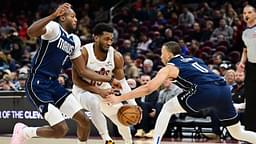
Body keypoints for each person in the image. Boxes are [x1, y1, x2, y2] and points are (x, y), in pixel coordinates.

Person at [106, 41, 256, 144]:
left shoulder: (169, 68)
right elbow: (203, 79)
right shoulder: (195, 60)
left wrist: (120, 98)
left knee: (168, 107)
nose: (161, 56)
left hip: (205, 90)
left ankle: (155, 142)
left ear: (169, 55)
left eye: (162, 53)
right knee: (237, 133)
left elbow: (148, 88)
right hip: (223, 90)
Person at [11, 3, 117, 144]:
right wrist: (53, 15)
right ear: (62, 18)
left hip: (54, 84)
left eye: (76, 17)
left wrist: (108, 78)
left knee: (84, 120)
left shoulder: (74, 40)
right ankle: (25, 132)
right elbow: (31, 32)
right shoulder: (54, 28)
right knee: (61, 130)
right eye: (72, 16)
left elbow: (82, 70)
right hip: (38, 83)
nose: (76, 20)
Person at [72, 23, 137, 144]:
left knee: (121, 115)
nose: (109, 42)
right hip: (83, 91)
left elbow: (122, 82)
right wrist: (99, 91)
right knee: (93, 101)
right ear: (96, 38)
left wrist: (133, 104)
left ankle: (129, 142)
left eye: (111, 39)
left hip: (104, 90)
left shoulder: (116, 56)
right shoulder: (83, 53)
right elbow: (76, 80)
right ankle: (107, 139)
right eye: (106, 39)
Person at [237, 5, 256, 132]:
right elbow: (245, 50)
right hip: (251, 67)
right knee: (251, 98)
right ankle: (251, 132)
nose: (246, 15)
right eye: (244, 13)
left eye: (249, 12)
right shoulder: (244, 32)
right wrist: (241, 62)